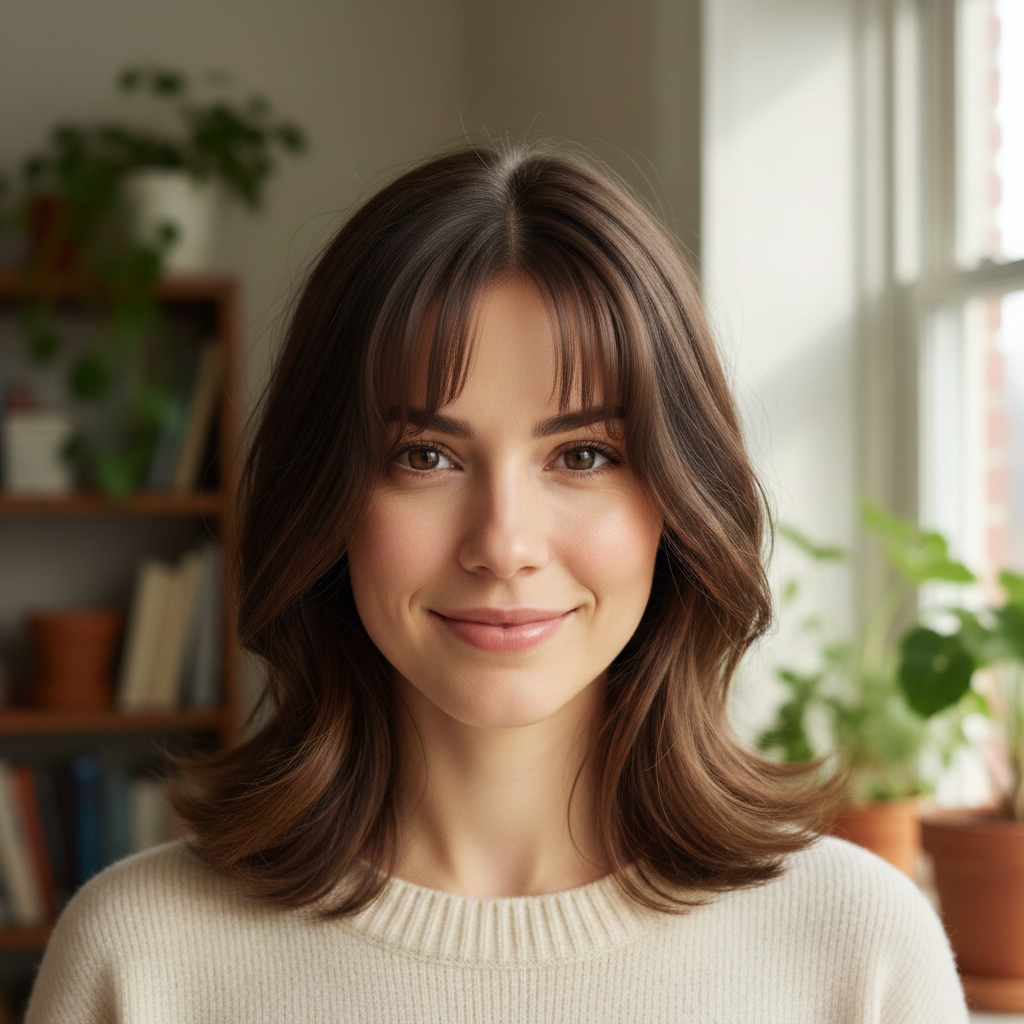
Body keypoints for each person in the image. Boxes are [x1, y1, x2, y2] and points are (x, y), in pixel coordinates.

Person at [26, 145, 967, 1023]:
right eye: (425, 455)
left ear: (679, 500)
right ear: (326, 498)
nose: (504, 545)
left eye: (583, 454)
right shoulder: (139, 959)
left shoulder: (859, 950)